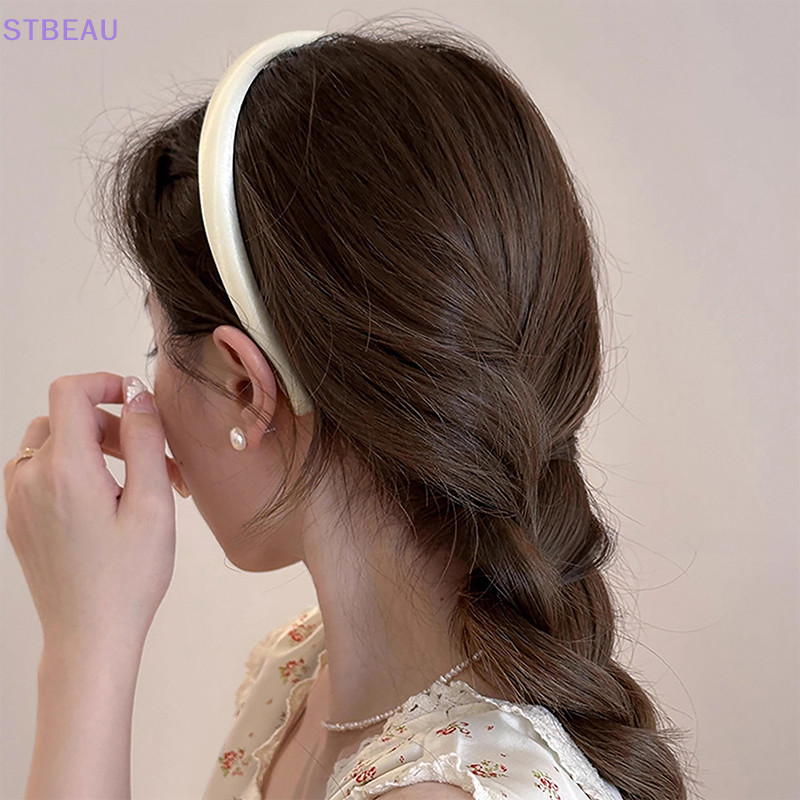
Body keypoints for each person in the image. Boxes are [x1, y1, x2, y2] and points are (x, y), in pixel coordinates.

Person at [5, 17, 694, 800]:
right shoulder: (300, 674)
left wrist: (86, 646)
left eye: (156, 347)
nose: (150, 397)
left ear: (244, 385)